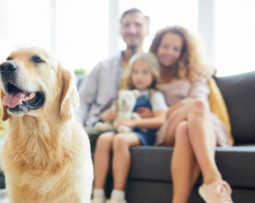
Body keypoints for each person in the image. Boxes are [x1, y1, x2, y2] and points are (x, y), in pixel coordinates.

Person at [147, 26, 233, 203]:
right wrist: (169, 111)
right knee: (194, 107)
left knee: (185, 128)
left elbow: (199, 100)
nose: (169, 52)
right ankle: (213, 181)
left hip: (201, 123)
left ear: (184, 52)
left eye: (175, 48)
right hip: (167, 125)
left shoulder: (195, 72)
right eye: (165, 46)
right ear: (156, 47)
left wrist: (166, 110)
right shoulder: (148, 73)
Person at [91, 52, 168, 203]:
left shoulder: (154, 95)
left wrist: (133, 123)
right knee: (104, 139)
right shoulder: (124, 93)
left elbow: (160, 120)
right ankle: (97, 195)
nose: (139, 76)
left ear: (154, 74)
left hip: (142, 133)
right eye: (136, 71)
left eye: (145, 72)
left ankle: (117, 196)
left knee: (120, 140)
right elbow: (114, 113)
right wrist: (106, 116)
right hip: (119, 127)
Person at [75, 8, 150, 141]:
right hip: (101, 124)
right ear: (121, 31)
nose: (132, 30)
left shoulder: (154, 67)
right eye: (126, 25)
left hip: (136, 127)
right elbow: (81, 100)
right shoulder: (102, 66)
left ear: (147, 30)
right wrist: (77, 123)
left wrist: (152, 114)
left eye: (138, 25)